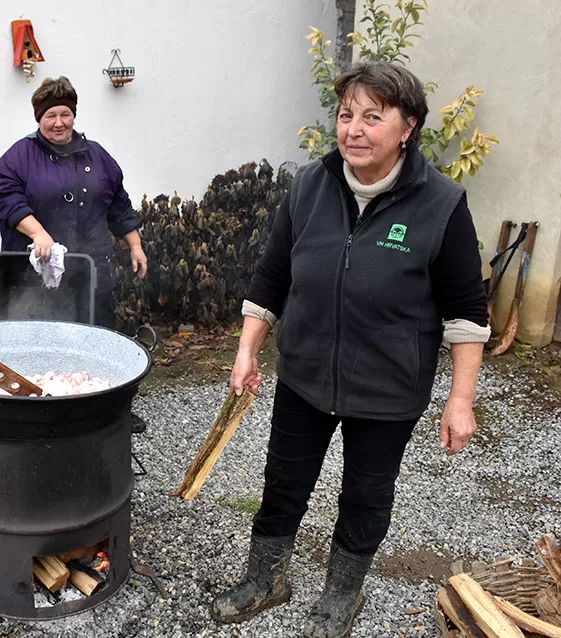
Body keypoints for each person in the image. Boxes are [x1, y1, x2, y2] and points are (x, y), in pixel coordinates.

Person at [210, 61, 490, 637]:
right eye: (345, 115)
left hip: (388, 387)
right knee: (283, 483)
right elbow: (272, 276)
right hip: (305, 374)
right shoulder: (311, 185)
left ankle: (342, 595)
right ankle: (267, 579)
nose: (353, 129)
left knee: (365, 495)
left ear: (407, 126)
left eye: (372, 116)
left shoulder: (440, 204)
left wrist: (461, 400)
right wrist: (247, 351)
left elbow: (466, 313)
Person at [0, 75, 148, 330]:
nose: (59, 123)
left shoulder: (97, 155)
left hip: (91, 272)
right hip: (34, 278)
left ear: (74, 115)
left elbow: (118, 203)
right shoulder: (19, 156)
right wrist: (38, 234)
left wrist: (135, 245)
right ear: (38, 118)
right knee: (37, 345)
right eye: (50, 115)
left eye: (66, 114)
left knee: (91, 342)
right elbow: (5, 198)